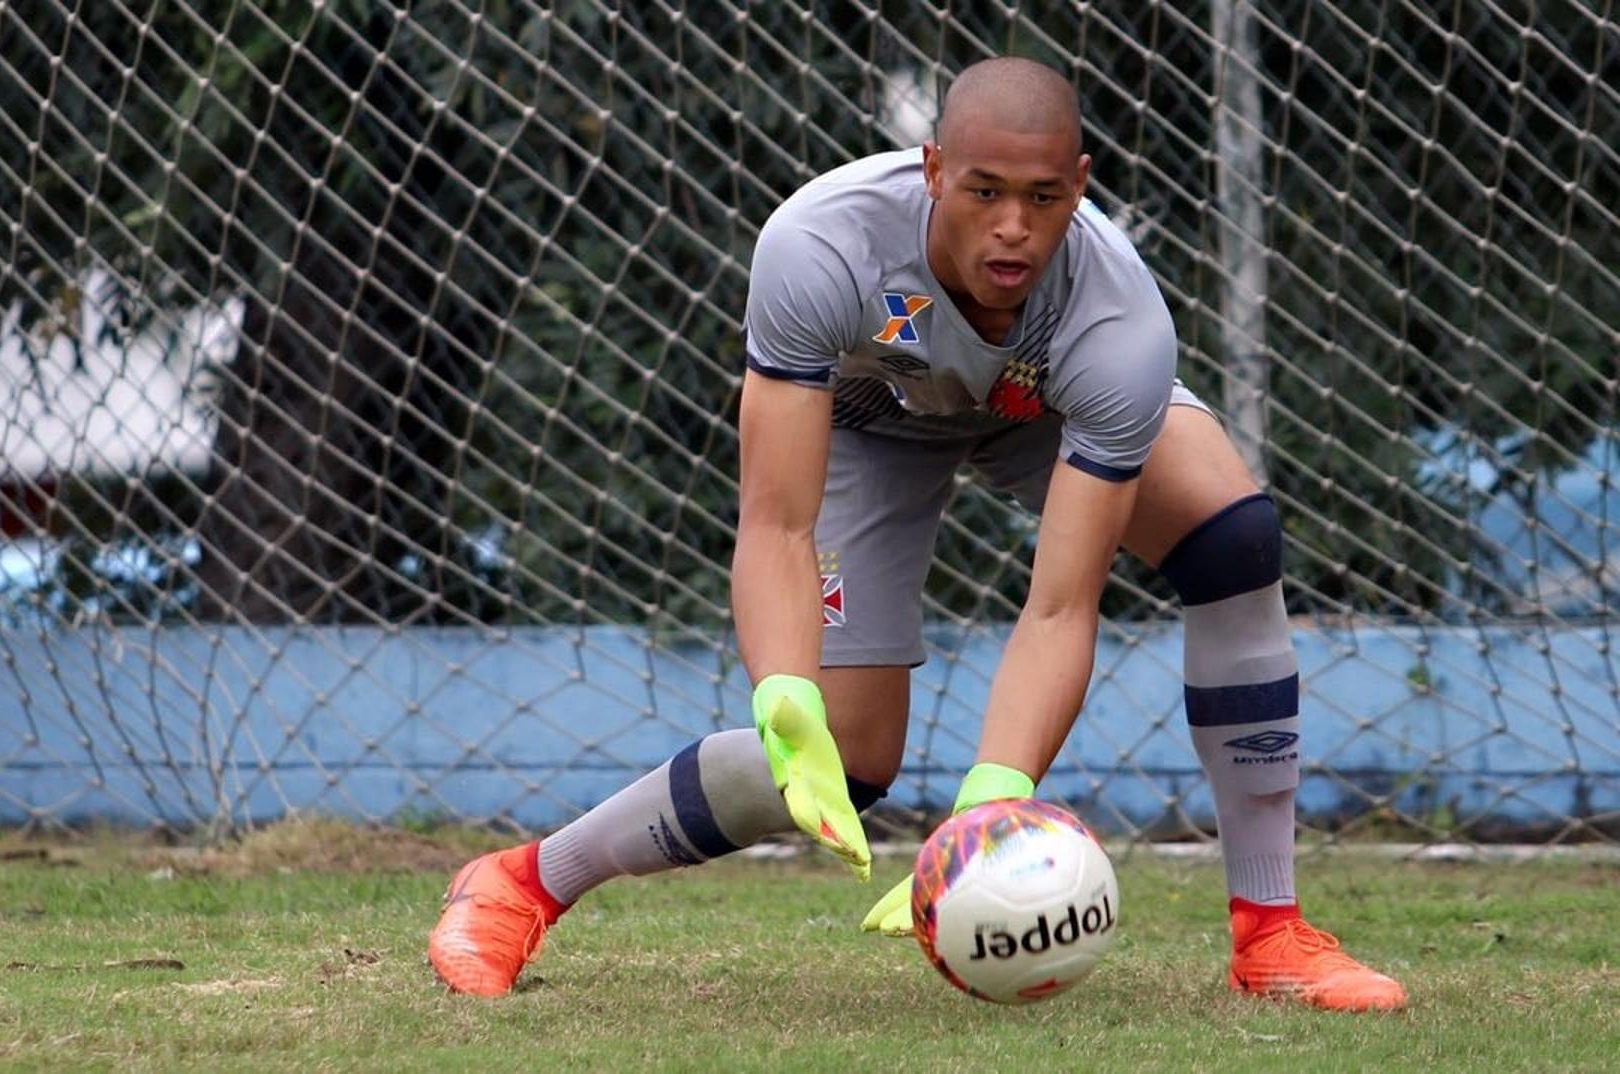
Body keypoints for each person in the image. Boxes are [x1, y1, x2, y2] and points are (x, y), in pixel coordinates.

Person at [426, 56, 1406, 1012]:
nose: (1013, 228)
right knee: (843, 763)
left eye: (1043, 197)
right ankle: (521, 883)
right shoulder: (822, 243)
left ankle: (1270, 931)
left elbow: (1061, 604)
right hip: (868, 420)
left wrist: (994, 793)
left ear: (1080, 188)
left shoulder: (1120, 328)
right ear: (933, 170)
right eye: (983, 191)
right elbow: (776, 521)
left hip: (1040, 415)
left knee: (1234, 542)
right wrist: (782, 693)